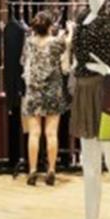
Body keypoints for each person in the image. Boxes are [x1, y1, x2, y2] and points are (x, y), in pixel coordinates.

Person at [22, 11, 72, 186]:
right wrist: (70, 30)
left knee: (34, 134)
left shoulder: (29, 42)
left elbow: (24, 62)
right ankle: (51, 169)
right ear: (50, 26)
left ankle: (32, 170)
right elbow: (68, 43)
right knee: (51, 133)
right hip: (53, 91)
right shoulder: (56, 42)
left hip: (34, 91)